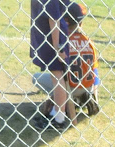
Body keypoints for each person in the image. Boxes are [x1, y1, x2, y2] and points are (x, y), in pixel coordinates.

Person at [32, 2, 100, 127]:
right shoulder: (89, 42)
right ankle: (79, 100)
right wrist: (94, 96)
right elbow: (95, 73)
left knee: (36, 78)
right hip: (87, 88)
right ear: (80, 23)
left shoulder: (64, 42)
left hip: (70, 86)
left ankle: (60, 103)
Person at [30, 0, 69, 131]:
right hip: (49, 35)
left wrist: (57, 46)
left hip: (53, 37)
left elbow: (54, 18)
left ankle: (59, 118)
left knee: (57, 74)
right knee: (55, 74)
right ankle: (55, 113)